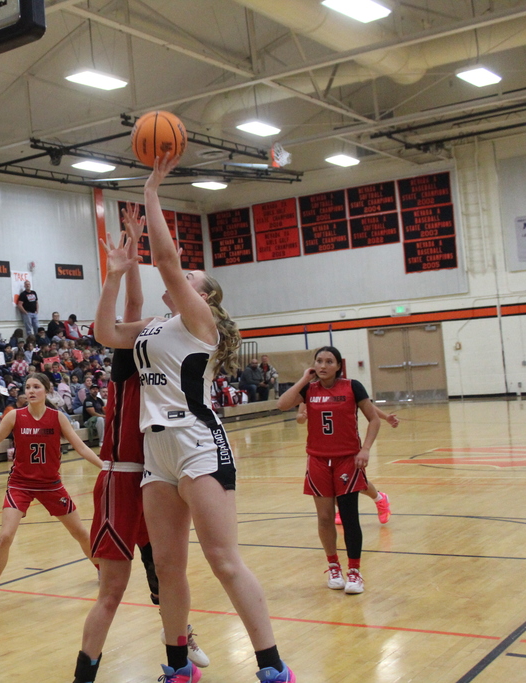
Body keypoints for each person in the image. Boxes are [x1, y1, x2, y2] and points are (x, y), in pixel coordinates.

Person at [94, 154, 294, 683]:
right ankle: (178, 666)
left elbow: (163, 261)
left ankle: (272, 666)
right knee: (170, 568)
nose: (179, 277)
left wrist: (153, 191)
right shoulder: (155, 326)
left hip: (198, 441)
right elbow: (106, 333)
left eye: (189, 276)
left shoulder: (198, 319)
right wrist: (115, 274)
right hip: (156, 449)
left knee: (224, 560)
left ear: (201, 294)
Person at [74, 203, 207, 683]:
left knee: (167, 573)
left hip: (163, 474)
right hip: (127, 475)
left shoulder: (189, 339)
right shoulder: (145, 341)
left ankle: (181, 644)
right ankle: (87, 673)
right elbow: (129, 314)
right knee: (114, 589)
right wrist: (125, 269)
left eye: (194, 281)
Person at [0, 373, 103, 606]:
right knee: (5, 535)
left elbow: (81, 448)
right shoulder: (15, 417)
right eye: (27, 387)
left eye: (36, 387)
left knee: (79, 532)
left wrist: (104, 467)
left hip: (51, 485)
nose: (30, 391)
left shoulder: (57, 418)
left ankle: (101, 569)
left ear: (46, 391)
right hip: (20, 484)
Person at [277, 346, 381, 595]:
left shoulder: (352, 387)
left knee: (349, 517)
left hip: (347, 460)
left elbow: (373, 419)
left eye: (329, 361)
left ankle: (354, 571)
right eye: (319, 361)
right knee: (324, 518)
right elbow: (282, 405)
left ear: (338, 366)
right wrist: (304, 378)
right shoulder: (308, 389)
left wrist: (365, 449)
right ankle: (333, 566)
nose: (323, 366)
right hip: (318, 461)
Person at [295, 403, 394, 525]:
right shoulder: (310, 392)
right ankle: (342, 510)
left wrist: (385, 417)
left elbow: (365, 404)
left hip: (345, 446)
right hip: (321, 449)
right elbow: (299, 419)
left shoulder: (345, 388)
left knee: (357, 483)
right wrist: (303, 416)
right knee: (331, 486)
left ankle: (379, 499)